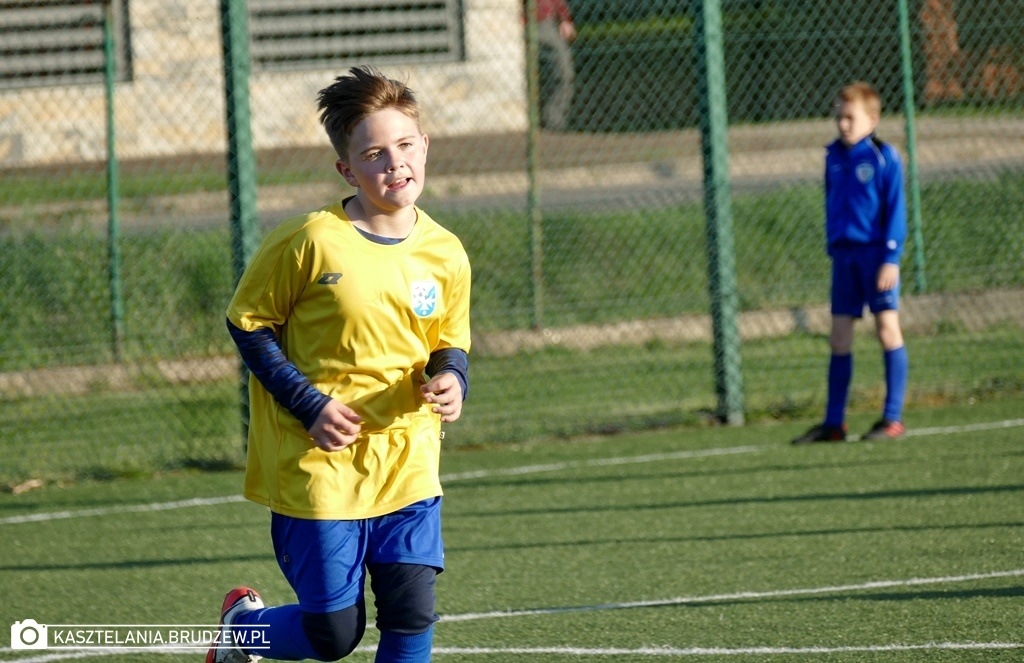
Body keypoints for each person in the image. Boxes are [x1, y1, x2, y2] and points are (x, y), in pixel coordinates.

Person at [208, 66, 472, 663]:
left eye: (405, 145)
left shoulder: (446, 251)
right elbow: (248, 323)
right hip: (321, 465)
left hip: (407, 459)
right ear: (347, 169)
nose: (395, 164)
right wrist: (311, 404)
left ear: (425, 146)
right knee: (333, 635)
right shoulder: (311, 240)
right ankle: (240, 632)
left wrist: (453, 377)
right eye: (374, 154)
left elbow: (447, 340)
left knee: (411, 613)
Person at [793, 81, 909, 444]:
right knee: (839, 336)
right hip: (845, 257)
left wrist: (891, 258)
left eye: (850, 118)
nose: (842, 124)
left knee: (887, 329)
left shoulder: (883, 157)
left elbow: (896, 210)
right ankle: (834, 423)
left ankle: (892, 418)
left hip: (876, 256)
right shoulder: (833, 157)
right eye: (838, 117)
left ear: (872, 120)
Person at [532, 0, 576, 130]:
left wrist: (565, 18)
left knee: (565, 73)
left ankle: (553, 121)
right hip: (518, 25)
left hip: (545, 24)